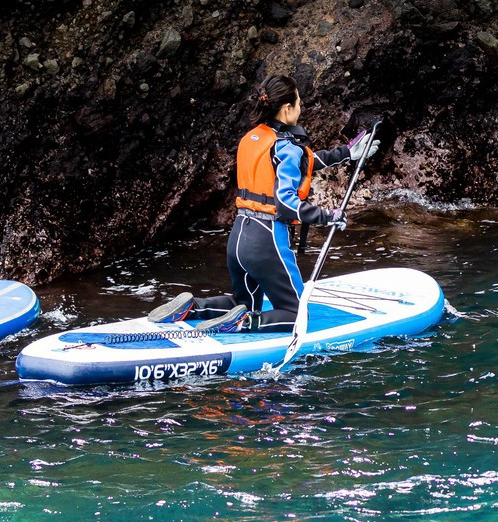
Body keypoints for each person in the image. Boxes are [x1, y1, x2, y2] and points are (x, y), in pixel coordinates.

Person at [150, 76, 378, 332]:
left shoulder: (252, 139)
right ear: (287, 109)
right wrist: (328, 216)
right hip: (266, 240)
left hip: (239, 237)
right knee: (297, 313)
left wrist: (346, 153)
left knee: (243, 301)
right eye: (299, 104)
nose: (301, 109)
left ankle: (194, 307)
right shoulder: (286, 147)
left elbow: (303, 160)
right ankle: (245, 323)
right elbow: (286, 206)